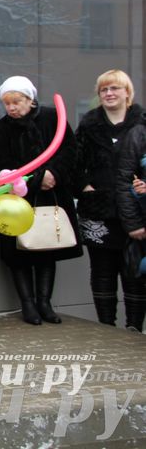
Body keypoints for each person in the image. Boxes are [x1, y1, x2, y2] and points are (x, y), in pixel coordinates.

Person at [0, 75, 82, 325]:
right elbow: (2, 165)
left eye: (17, 102)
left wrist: (54, 174)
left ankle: (45, 302)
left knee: (47, 249)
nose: (11, 108)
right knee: (18, 253)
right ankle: (27, 304)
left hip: (52, 195)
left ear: (30, 99)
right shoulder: (0, 129)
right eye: (7, 103)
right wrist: (37, 179)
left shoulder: (53, 118)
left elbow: (69, 149)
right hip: (17, 200)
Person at [77, 70, 146, 332]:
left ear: (127, 92)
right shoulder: (89, 124)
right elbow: (74, 161)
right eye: (104, 90)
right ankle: (106, 326)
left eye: (115, 88)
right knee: (102, 271)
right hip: (98, 211)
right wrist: (83, 185)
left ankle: (134, 327)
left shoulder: (142, 123)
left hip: (135, 211)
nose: (109, 94)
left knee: (134, 271)